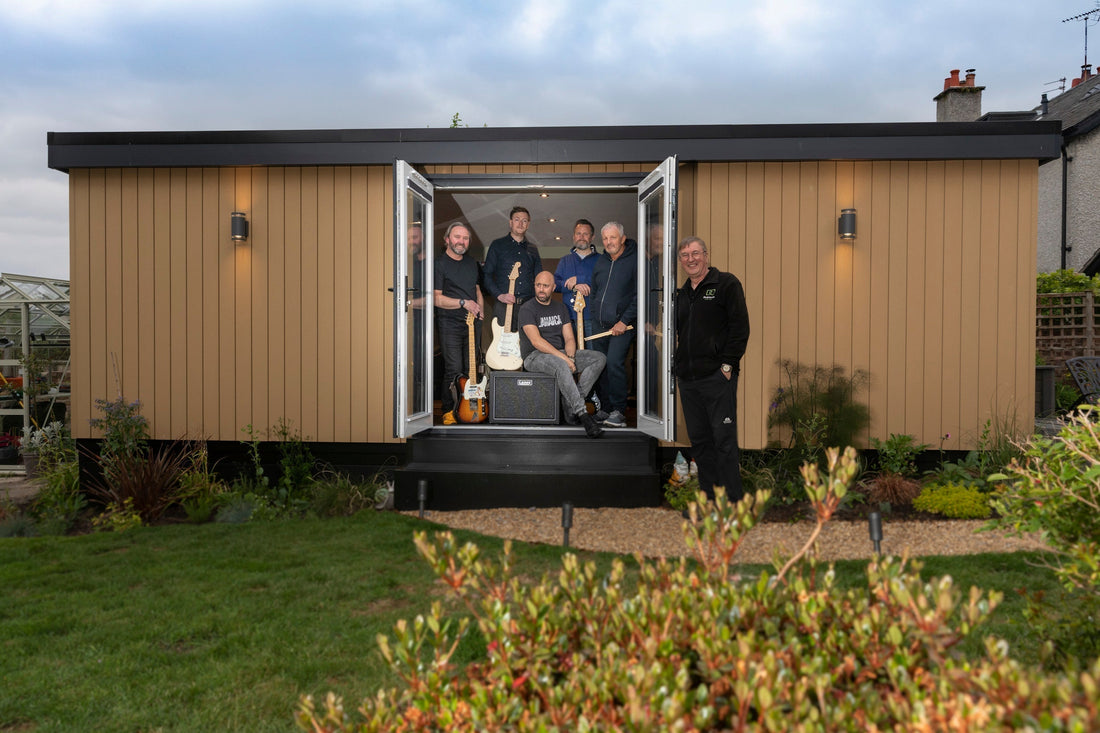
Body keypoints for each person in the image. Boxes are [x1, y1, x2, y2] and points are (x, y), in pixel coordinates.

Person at [673, 236, 750, 505]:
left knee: (724, 442)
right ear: (680, 261)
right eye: (684, 255)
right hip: (689, 381)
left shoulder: (726, 284)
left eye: (695, 253)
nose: (690, 259)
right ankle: (709, 502)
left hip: (717, 378)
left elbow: (740, 328)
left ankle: (733, 503)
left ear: (706, 255)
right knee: (701, 444)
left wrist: (727, 366)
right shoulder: (681, 295)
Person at [518, 271, 606, 438]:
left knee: (598, 358)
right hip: (535, 356)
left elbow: (569, 338)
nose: (541, 289)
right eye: (538, 285)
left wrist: (571, 358)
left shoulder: (560, 307)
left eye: (545, 286)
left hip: (561, 354)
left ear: (553, 287)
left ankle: (570, 402)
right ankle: (582, 414)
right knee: (560, 364)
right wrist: (565, 360)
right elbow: (536, 341)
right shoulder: (527, 308)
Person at [433, 222, 485, 423]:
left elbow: (477, 290)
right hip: (450, 324)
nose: (461, 241)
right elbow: (437, 298)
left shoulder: (472, 264)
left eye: (465, 238)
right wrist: (463, 303)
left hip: (472, 325)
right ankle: (449, 410)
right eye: (457, 237)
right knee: (454, 369)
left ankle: (468, 411)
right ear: (447, 239)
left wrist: (479, 310)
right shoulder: (439, 264)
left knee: (470, 369)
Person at [589, 221, 637, 428]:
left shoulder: (635, 260)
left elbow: (639, 295)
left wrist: (624, 321)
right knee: (601, 365)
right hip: (600, 325)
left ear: (622, 239)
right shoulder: (601, 261)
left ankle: (619, 410)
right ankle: (606, 408)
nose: (609, 242)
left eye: (613, 237)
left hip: (622, 326)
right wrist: (593, 315)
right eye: (605, 238)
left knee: (615, 363)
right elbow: (595, 289)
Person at [483, 206, 541, 333]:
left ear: (528, 225)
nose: (520, 223)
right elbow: (486, 275)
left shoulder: (533, 249)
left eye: (524, 221)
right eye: (517, 219)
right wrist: (499, 295)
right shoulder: (497, 245)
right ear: (510, 223)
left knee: (528, 347)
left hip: (528, 307)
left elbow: (539, 278)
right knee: (503, 347)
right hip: (503, 306)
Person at [553, 218, 599, 321]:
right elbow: (555, 284)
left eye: (585, 234)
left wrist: (579, 279)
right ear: (574, 236)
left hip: (593, 319)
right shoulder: (565, 260)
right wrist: (574, 285)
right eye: (578, 233)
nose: (581, 237)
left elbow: (604, 282)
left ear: (592, 237)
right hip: (569, 318)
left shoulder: (601, 260)